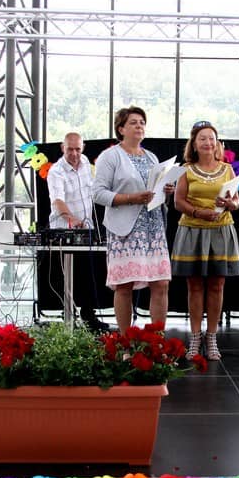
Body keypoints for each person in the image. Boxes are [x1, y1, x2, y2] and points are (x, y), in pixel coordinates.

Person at [93, 106, 174, 331]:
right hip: (125, 231)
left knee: (161, 284)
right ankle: (126, 341)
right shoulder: (110, 156)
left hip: (153, 230)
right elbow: (98, 194)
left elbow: (155, 191)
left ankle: (157, 341)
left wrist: (165, 190)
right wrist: (131, 198)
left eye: (142, 122)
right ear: (121, 129)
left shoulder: (151, 157)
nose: (139, 126)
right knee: (124, 285)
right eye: (133, 122)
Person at [171, 121, 239, 361]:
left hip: (221, 231)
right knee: (194, 286)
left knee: (217, 285)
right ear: (194, 144)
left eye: (211, 138)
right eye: (202, 138)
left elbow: (236, 202)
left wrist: (230, 204)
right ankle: (195, 337)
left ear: (217, 143)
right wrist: (198, 212)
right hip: (192, 231)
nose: (208, 142)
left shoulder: (227, 169)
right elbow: (178, 202)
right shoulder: (186, 170)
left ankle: (211, 337)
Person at [46, 132, 108, 331]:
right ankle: (68, 315)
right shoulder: (56, 172)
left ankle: (89, 316)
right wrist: (73, 220)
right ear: (62, 148)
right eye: (70, 149)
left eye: (77, 149)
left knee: (88, 274)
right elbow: (57, 200)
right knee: (67, 276)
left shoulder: (86, 163)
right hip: (65, 230)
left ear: (83, 148)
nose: (74, 154)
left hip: (86, 230)